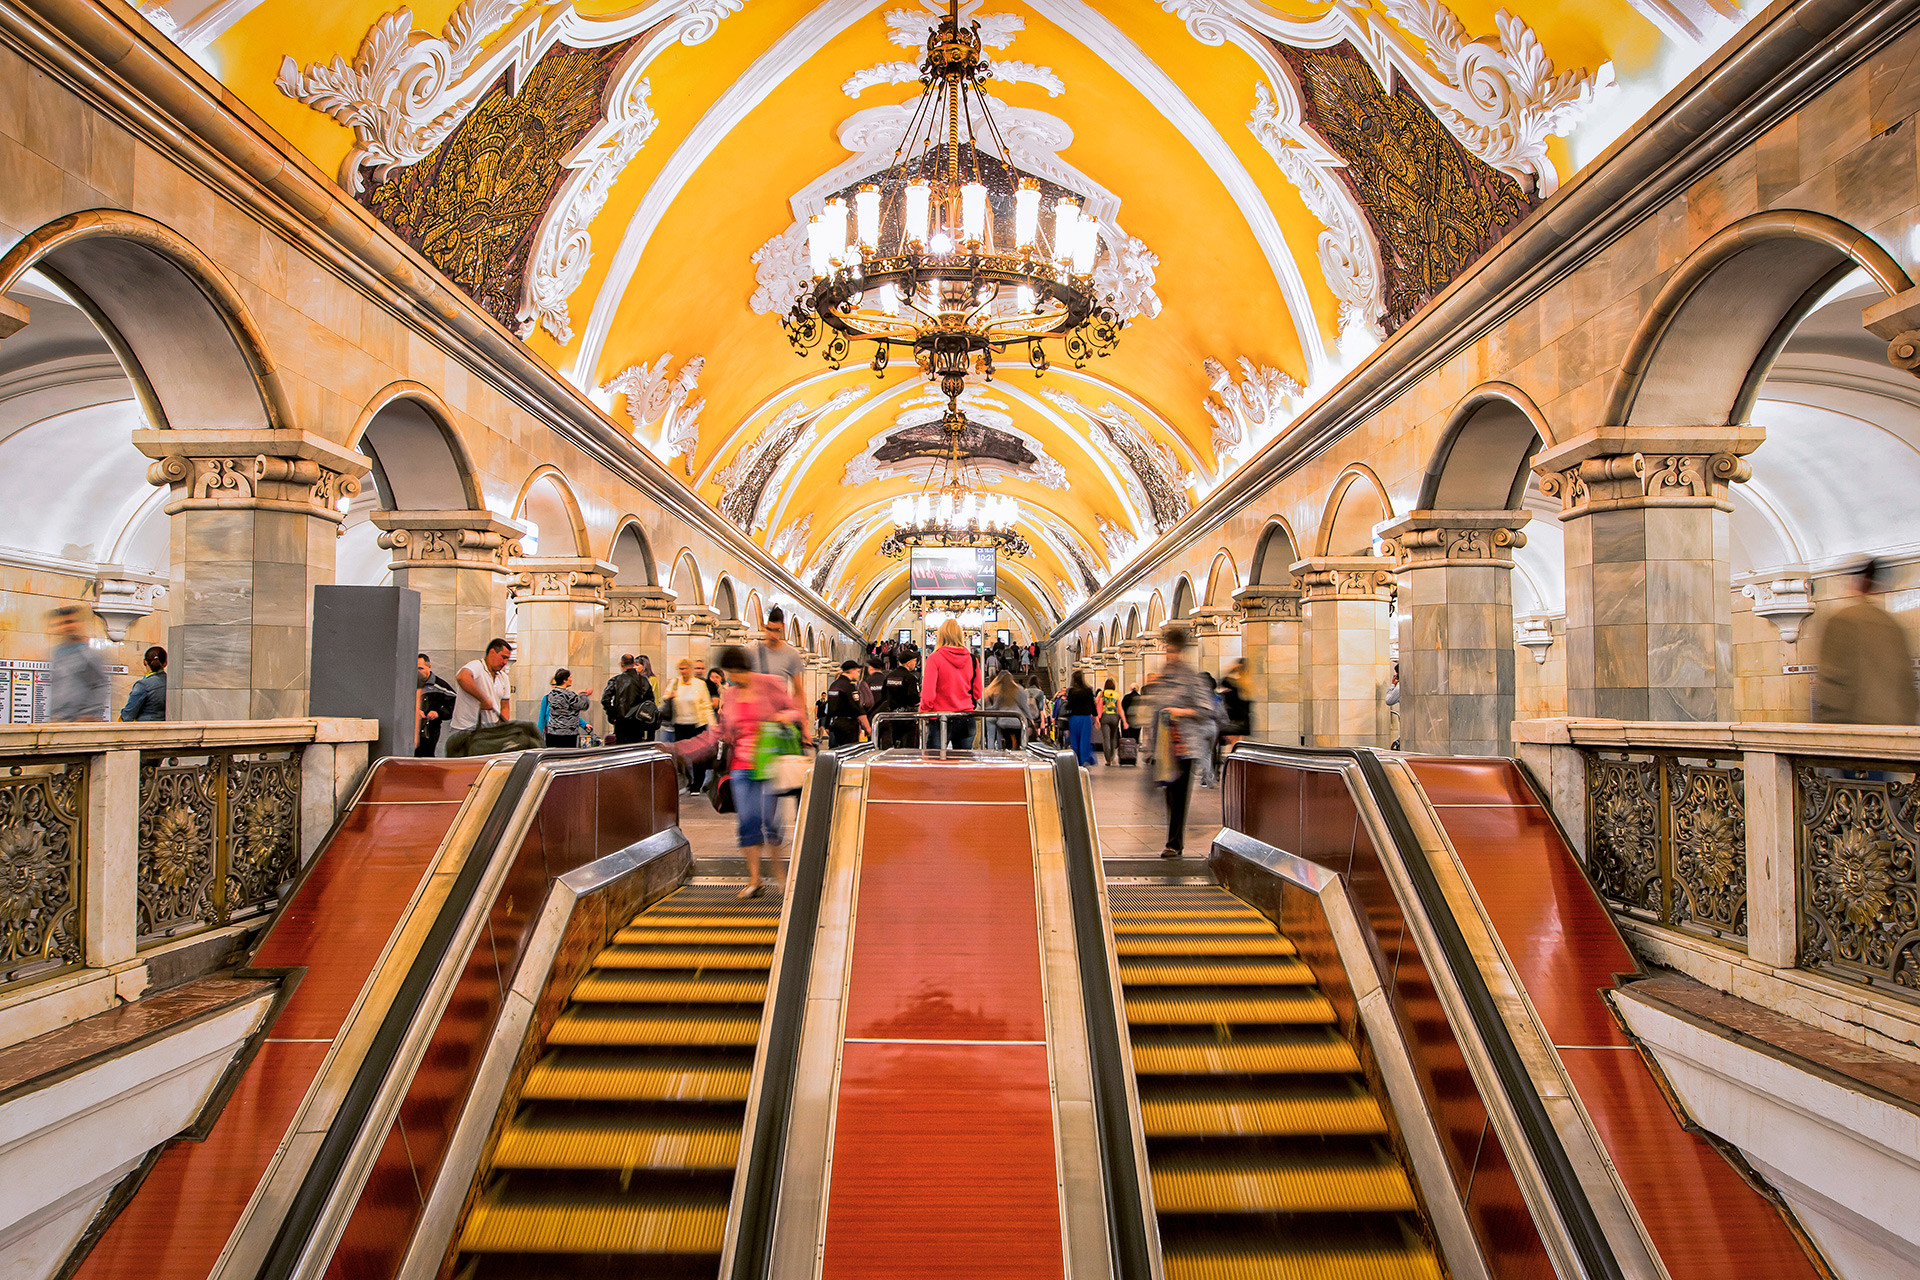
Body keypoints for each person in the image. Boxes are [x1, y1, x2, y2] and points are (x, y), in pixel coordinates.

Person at [715, 645, 801, 899]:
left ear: (743, 668)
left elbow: (795, 709)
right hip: (740, 767)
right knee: (747, 822)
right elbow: (724, 729)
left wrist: (782, 717)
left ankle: (781, 875)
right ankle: (755, 880)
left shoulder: (769, 684)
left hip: (767, 763)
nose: (731, 677)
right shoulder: (730, 694)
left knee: (770, 821)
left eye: (733, 672)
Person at [1814, 557, 1920, 724]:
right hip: (1898, 726)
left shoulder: (1842, 620)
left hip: (1859, 728)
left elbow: (1833, 683)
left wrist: (1825, 730)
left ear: (1856, 581)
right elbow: (1907, 685)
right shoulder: (1894, 625)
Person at [1152, 625, 1225, 859]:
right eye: (1167, 651)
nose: (1169, 656)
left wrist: (1179, 711)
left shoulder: (1192, 677)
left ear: (1181, 651)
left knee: (1179, 794)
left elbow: (1206, 709)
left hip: (1185, 744)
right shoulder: (1164, 676)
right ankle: (1173, 839)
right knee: (1169, 794)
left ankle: (1174, 843)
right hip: (1166, 745)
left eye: (1173, 651)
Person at [921, 618, 983, 749]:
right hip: (966, 716)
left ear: (940, 636)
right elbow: (978, 693)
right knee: (963, 760)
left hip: (940, 717)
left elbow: (928, 694)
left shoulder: (934, 659)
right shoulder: (972, 660)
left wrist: (924, 712)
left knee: (935, 759)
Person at [754, 606, 812, 746]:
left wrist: (804, 726)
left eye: (777, 631)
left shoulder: (791, 654)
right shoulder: (753, 652)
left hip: (780, 720)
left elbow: (798, 691)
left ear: (783, 628)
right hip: (756, 720)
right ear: (764, 627)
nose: (773, 635)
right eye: (770, 629)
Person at [661, 658, 716, 792]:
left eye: (685, 668)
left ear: (690, 669)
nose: (683, 671)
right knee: (680, 754)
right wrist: (670, 696)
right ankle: (686, 780)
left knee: (697, 755)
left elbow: (707, 705)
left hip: (697, 724)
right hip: (680, 724)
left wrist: (713, 724)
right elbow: (665, 698)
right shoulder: (674, 683)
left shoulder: (699, 684)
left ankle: (696, 784)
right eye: (681, 669)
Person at [45, 607, 109, 723]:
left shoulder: (88, 654)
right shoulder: (58, 653)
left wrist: (89, 714)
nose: (67, 627)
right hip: (59, 719)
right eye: (63, 623)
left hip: (78, 721)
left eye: (70, 622)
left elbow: (100, 685)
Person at [452, 638, 513, 732]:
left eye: (507, 659)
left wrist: (502, 726)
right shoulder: (476, 666)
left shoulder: (504, 677)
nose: (505, 663)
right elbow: (462, 677)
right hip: (466, 728)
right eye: (503, 657)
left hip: (490, 729)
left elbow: (505, 706)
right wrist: (482, 699)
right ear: (492, 652)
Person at [601, 653, 658, 745]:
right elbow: (650, 701)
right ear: (633, 664)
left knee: (622, 748)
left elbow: (605, 699)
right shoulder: (643, 680)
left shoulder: (616, 680)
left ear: (621, 664)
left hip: (621, 721)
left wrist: (612, 714)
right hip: (638, 721)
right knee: (636, 748)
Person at [540, 669, 593, 748]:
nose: (571, 680)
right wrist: (584, 695)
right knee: (567, 755)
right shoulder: (569, 695)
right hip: (568, 734)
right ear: (565, 680)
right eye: (570, 677)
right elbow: (584, 705)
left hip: (552, 733)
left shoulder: (550, 695)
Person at [415, 654, 456, 755]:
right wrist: (414, 712)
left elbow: (454, 705)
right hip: (410, 730)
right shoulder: (407, 684)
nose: (418, 672)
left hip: (430, 732)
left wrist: (438, 713)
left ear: (429, 667)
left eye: (420, 668)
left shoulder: (440, 686)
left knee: (426, 756)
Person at [824, 659, 869, 748]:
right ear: (851, 671)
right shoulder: (849, 687)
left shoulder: (834, 685)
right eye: (857, 672)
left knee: (837, 749)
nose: (858, 674)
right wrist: (867, 728)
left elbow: (830, 706)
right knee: (849, 749)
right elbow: (857, 709)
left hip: (835, 724)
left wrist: (827, 725)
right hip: (848, 725)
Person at [881, 647, 922, 747]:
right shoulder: (910, 678)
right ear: (908, 663)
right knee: (909, 746)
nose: (915, 663)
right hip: (907, 718)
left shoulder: (889, 676)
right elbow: (914, 699)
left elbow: (883, 695)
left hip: (892, 717)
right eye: (914, 661)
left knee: (895, 744)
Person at [981, 670, 1029, 748]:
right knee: (1019, 742)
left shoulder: (998, 690)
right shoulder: (1018, 689)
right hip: (1017, 720)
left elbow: (996, 706)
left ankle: (1002, 750)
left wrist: (985, 710)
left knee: (998, 739)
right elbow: (1024, 706)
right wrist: (1030, 719)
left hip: (1002, 721)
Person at [120, 645, 167, 722]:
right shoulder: (171, 683)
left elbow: (128, 716)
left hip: (145, 727)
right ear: (165, 663)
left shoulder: (143, 685)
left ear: (144, 662)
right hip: (167, 727)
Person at [1064, 670, 1097, 766]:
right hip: (1086, 718)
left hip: (1074, 718)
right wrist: (1095, 717)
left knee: (1074, 740)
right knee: (1085, 739)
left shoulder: (1071, 691)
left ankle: (1076, 760)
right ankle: (1084, 759)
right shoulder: (1088, 690)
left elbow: (1069, 706)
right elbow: (1092, 705)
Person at [1098, 677, 1129, 766]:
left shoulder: (1102, 693)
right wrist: (1124, 721)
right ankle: (1112, 756)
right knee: (1113, 737)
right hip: (1114, 717)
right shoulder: (1116, 695)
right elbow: (1120, 708)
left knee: (1106, 738)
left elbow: (1097, 703)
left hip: (1104, 717)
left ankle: (1108, 760)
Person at [1220, 662, 1251, 749]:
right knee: (1237, 742)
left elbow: (1223, 681)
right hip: (1241, 719)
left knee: (1235, 742)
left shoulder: (1235, 687)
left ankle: (1233, 757)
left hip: (1235, 719)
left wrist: (1231, 669)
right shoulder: (1243, 686)